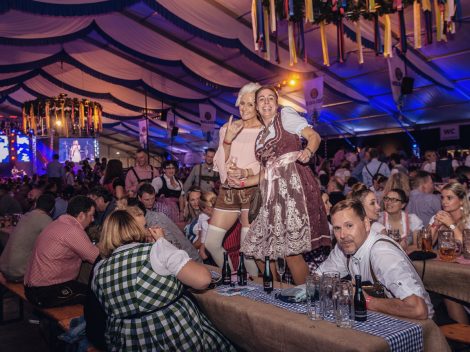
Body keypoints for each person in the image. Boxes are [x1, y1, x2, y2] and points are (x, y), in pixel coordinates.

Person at [91, 210, 235, 351]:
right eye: (144, 227)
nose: (147, 230)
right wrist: (162, 242)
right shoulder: (156, 250)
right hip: (173, 334)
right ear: (133, 229)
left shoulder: (99, 269)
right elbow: (203, 279)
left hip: (127, 341)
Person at [229, 86, 330, 285]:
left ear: (276, 103)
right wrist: (242, 179)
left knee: (291, 253)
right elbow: (264, 173)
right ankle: (277, 286)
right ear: (257, 106)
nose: (266, 103)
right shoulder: (261, 136)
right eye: (261, 100)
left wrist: (308, 152)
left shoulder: (285, 117)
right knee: (257, 248)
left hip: (293, 188)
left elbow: (314, 137)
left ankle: (303, 297)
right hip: (271, 193)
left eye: (270, 99)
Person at [316, 199, 433, 320]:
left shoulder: (382, 253)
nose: (342, 235)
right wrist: (337, 288)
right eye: (337, 228)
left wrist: (365, 300)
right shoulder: (344, 247)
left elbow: (418, 309)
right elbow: (318, 279)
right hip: (380, 318)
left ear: (366, 224)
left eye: (349, 225)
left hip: (418, 327)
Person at [204, 82, 263, 275]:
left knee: (248, 251)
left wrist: (246, 173)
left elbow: (267, 165)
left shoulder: (265, 131)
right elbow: (220, 164)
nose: (245, 108)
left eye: (250, 104)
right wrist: (228, 140)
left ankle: (256, 291)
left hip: (252, 190)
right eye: (242, 103)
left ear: (258, 106)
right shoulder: (227, 128)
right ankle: (234, 278)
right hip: (228, 189)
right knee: (211, 243)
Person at [24, 195, 99, 307]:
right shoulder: (73, 230)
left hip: (32, 287)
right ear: (82, 215)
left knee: (83, 288)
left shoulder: (57, 222)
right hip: (44, 291)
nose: (92, 220)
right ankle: (79, 324)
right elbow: (97, 257)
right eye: (91, 215)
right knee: (96, 295)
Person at [429, 182, 470, 324]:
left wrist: (451, 224)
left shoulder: (468, 218)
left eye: (449, 198)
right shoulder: (441, 217)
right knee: (447, 292)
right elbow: (426, 247)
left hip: (466, 273)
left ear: (461, 200)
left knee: (448, 291)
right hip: (448, 272)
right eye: (442, 197)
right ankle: (461, 335)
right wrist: (435, 225)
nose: (444, 202)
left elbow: (467, 248)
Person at [135, 185, 201, 262]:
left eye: (152, 198)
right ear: (139, 198)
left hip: (186, 259)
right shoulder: (147, 215)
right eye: (147, 200)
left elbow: (173, 243)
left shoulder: (160, 213)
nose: (150, 202)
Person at [0, 194, 55, 283]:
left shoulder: (26, 215)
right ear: (52, 209)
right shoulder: (47, 221)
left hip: (3, 266)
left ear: (36, 204)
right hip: (17, 273)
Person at [194, 191, 217, 260]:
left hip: (213, 256)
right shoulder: (230, 214)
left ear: (204, 208)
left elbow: (202, 249)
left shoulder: (205, 220)